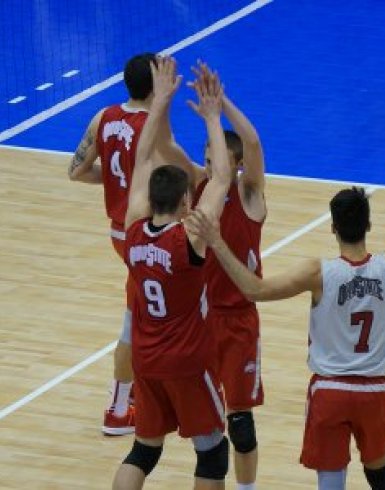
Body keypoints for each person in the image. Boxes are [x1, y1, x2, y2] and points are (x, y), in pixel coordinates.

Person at [186, 134, 385, 490]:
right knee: (381, 475)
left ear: (332, 227)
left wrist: (216, 243)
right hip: (375, 391)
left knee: (330, 483)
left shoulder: (319, 273)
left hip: (329, 391)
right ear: (368, 226)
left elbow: (254, 289)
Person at [112, 57, 233, 490]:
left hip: (145, 359)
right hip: (186, 362)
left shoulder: (131, 233)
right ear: (185, 203)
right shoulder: (190, 238)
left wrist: (159, 102)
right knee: (213, 452)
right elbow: (220, 176)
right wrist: (213, 117)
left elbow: (142, 159)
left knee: (144, 449)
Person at [68, 52, 193, 434]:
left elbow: (77, 171)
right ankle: (118, 407)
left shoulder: (103, 117)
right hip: (144, 232)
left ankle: (140, 389)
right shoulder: (154, 128)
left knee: (146, 311)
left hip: (118, 231)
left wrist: (115, 185)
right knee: (139, 318)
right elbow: (178, 173)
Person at [181, 61, 268, 490]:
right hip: (200, 321)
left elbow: (252, 141)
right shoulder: (199, 191)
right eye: (206, 154)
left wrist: (221, 105)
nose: (208, 159)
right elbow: (168, 154)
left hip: (238, 321)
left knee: (242, 425)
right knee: (207, 426)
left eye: (216, 155)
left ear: (233, 163)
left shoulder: (249, 195)